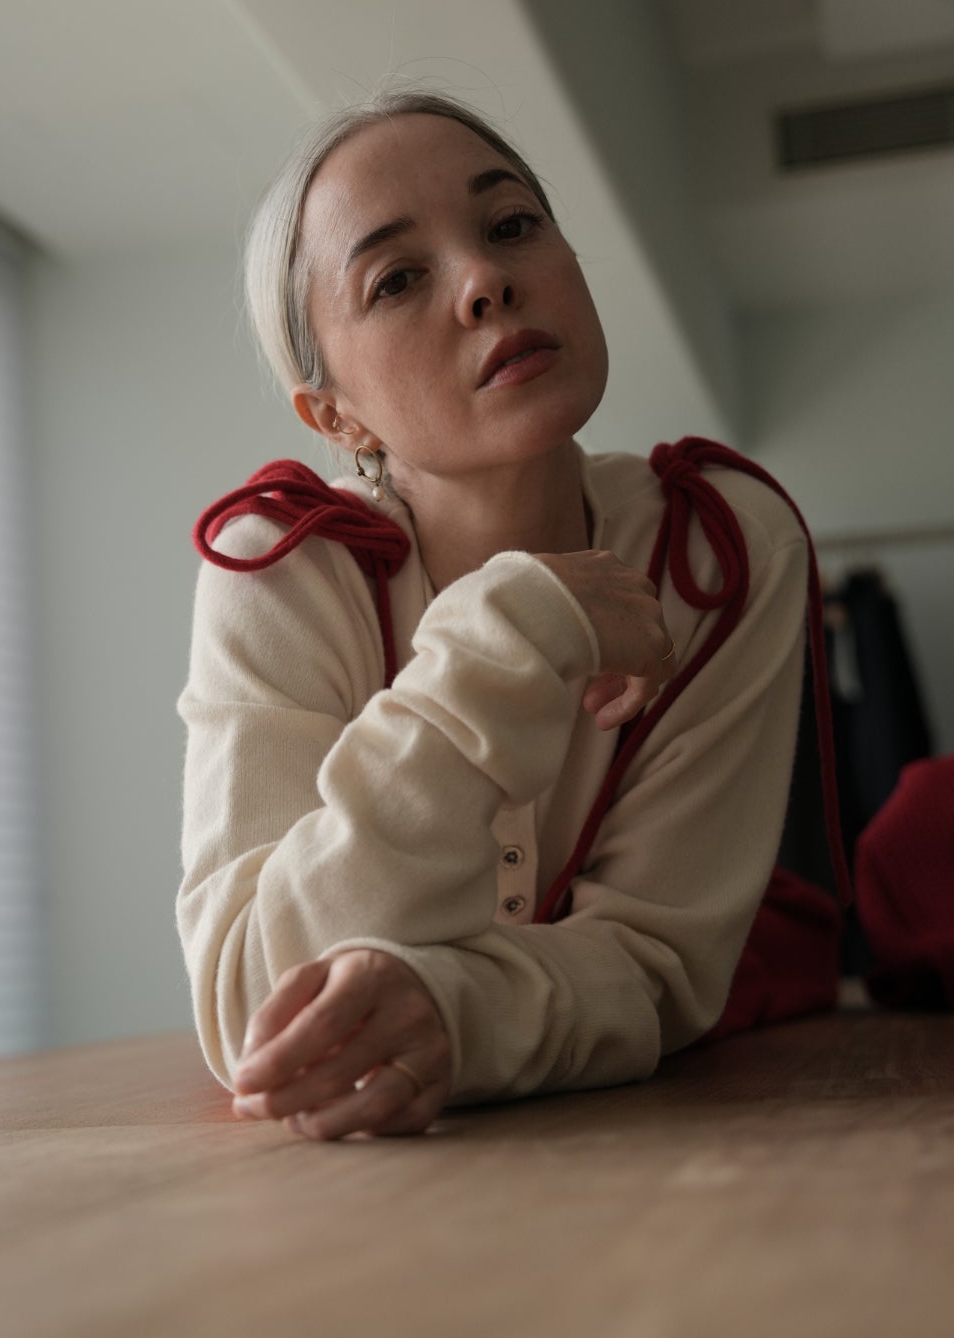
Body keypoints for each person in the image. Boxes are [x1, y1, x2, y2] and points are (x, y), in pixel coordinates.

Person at [175, 87, 819, 1142]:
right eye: (396, 279)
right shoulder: (280, 566)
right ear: (333, 412)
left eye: (511, 224)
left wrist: (457, 1016)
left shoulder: (724, 551)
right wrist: (514, 633)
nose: (485, 282)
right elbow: (257, 1010)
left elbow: (661, 962)